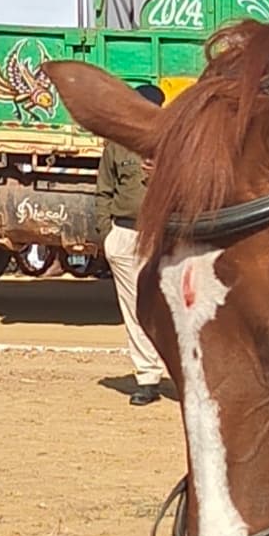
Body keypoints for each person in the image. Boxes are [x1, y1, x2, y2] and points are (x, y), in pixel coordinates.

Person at [98, 84, 169, 403]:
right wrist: (107, 234)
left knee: (171, 306)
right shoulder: (116, 145)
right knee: (135, 307)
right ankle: (148, 378)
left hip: (164, 235)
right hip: (125, 234)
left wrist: (160, 172)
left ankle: (183, 371)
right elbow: (103, 190)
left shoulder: (173, 144)